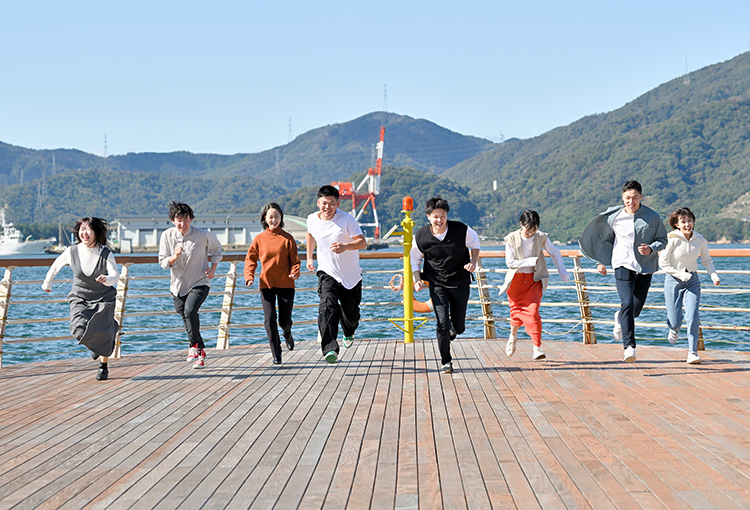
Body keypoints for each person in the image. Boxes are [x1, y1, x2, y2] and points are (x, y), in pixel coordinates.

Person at [579, 180, 668, 362]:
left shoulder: (652, 216)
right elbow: (602, 238)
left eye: (634, 198)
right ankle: (629, 347)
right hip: (622, 264)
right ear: (622, 197)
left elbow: (663, 240)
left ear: (641, 197)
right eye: (627, 198)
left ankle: (619, 318)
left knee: (635, 309)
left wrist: (651, 248)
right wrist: (600, 261)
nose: (631, 201)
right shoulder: (614, 216)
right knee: (626, 302)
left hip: (644, 267)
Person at [42, 217, 119, 381]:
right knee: (77, 328)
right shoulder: (72, 251)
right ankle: (95, 346)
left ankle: (103, 366)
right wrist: (47, 283)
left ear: (96, 232)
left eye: (88, 229)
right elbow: (56, 265)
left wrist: (107, 279)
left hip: (103, 298)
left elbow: (115, 275)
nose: (84, 233)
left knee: (104, 333)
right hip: (80, 297)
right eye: (82, 229)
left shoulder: (105, 253)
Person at [411, 196, 480, 374]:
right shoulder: (421, 236)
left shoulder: (461, 230)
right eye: (435, 216)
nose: (439, 220)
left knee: (459, 327)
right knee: (441, 323)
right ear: (428, 216)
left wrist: (473, 262)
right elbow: (415, 260)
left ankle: (453, 330)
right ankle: (446, 362)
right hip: (437, 284)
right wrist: (417, 279)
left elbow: (475, 244)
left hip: (460, 283)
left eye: (443, 216)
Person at [306, 185, 367, 364]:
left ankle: (348, 332)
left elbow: (362, 242)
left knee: (351, 315)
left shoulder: (347, 219)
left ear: (338, 204)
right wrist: (309, 257)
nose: (328, 207)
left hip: (350, 276)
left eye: (332, 203)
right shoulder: (312, 219)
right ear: (318, 203)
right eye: (324, 203)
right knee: (326, 307)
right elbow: (310, 235)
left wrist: (345, 247)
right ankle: (329, 348)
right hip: (327, 272)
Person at [158, 201, 223, 369]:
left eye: (186, 219)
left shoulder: (202, 235)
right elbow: (163, 262)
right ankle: (199, 351)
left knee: (190, 310)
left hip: (200, 281)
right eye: (179, 220)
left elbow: (217, 250)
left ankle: (193, 347)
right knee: (185, 316)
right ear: (173, 221)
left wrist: (213, 270)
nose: (183, 223)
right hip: (178, 286)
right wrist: (174, 257)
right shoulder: (166, 236)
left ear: (191, 219)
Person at [499, 210, 570, 361]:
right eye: (528, 230)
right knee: (516, 312)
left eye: (534, 229)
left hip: (534, 280)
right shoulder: (511, 238)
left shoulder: (541, 237)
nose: (531, 233)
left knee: (532, 312)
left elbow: (554, 252)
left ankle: (537, 347)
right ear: (521, 224)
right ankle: (513, 336)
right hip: (516, 281)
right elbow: (510, 262)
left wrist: (562, 271)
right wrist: (529, 261)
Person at [659, 207, 720, 364]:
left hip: (692, 280)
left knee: (692, 316)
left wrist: (713, 275)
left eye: (690, 221)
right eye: (683, 222)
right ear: (677, 224)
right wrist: (680, 275)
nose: (687, 224)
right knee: (675, 320)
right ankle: (674, 328)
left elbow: (707, 260)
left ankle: (692, 352)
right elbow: (663, 263)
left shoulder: (699, 239)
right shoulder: (671, 238)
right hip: (673, 279)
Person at [244, 203, 301, 364]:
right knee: (269, 320)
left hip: (286, 284)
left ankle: (287, 333)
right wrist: (249, 276)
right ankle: (276, 354)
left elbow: (295, 261)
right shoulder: (259, 239)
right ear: (265, 218)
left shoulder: (288, 239)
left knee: (284, 321)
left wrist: (294, 272)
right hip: (266, 284)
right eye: (270, 217)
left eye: (277, 216)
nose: (274, 220)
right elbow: (250, 259)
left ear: (281, 217)